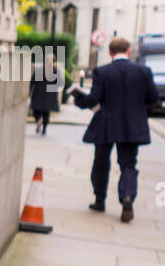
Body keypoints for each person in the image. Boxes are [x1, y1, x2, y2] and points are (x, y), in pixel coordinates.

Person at [67, 36, 159, 223]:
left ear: (110, 52)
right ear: (128, 51)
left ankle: (99, 200)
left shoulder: (102, 72)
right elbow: (153, 98)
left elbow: (94, 99)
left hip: (106, 124)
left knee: (101, 162)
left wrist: (79, 101)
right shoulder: (143, 71)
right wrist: (138, 110)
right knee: (128, 163)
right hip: (132, 126)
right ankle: (127, 198)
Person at [28, 49, 61, 135]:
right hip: (50, 95)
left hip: (38, 93)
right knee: (46, 112)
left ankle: (38, 120)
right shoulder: (56, 71)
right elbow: (59, 83)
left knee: (36, 110)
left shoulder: (39, 70)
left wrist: (29, 92)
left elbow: (32, 81)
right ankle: (44, 129)